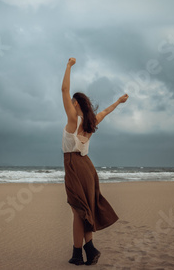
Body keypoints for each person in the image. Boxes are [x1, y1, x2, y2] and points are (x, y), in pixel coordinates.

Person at [61, 57, 129, 265]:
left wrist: (69, 66)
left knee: (78, 211)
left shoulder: (73, 120)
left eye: (72, 102)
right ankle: (87, 252)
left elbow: (64, 90)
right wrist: (119, 101)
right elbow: (107, 111)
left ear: (75, 103)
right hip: (88, 168)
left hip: (74, 166)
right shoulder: (92, 121)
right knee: (85, 210)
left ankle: (79, 253)